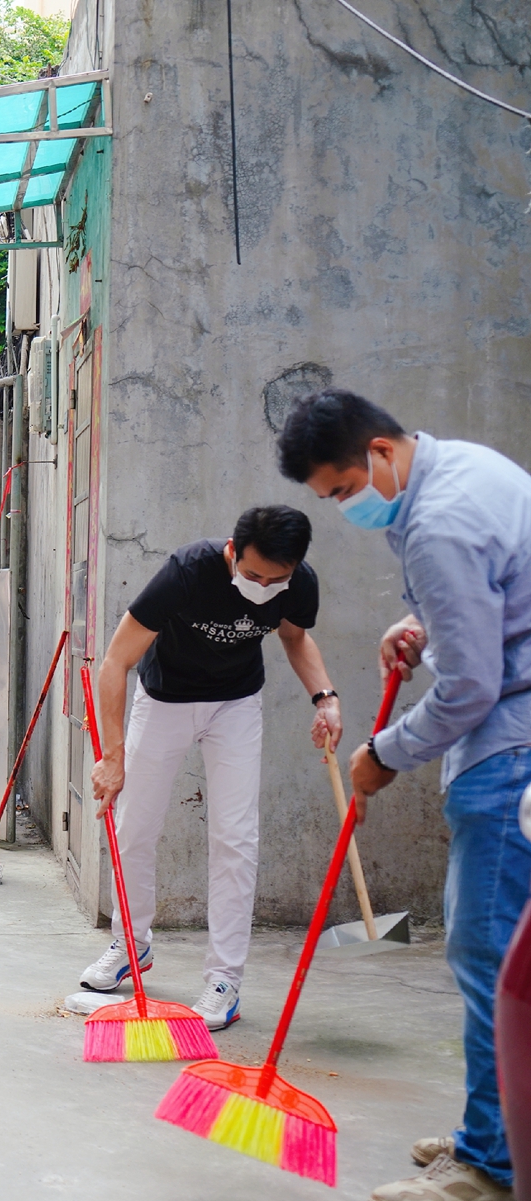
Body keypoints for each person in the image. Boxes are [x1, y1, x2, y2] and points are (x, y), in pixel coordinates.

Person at [279, 390, 531, 1201]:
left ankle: (491, 1164)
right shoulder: (466, 468)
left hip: (511, 753)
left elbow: (471, 685)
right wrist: (420, 620)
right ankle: (500, 1127)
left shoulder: (437, 523)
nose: (345, 506)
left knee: (489, 955)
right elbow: (495, 602)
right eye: (330, 497)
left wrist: (383, 753)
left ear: (382, 451)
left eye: (345, 488)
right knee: (507, 958)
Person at [83, 506, 341, 1030]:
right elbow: (115, 661)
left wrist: (325, 698)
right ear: (232, 551)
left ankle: (225, 979)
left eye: (275, 580)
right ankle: (131, 942)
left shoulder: (298, 582)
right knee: (134, 827)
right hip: (164, 699)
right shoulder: (187, 571)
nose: (263, 588)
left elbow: (294, 638)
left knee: (236, 838)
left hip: (236, 703)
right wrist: (113, 756)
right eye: (253, 575)